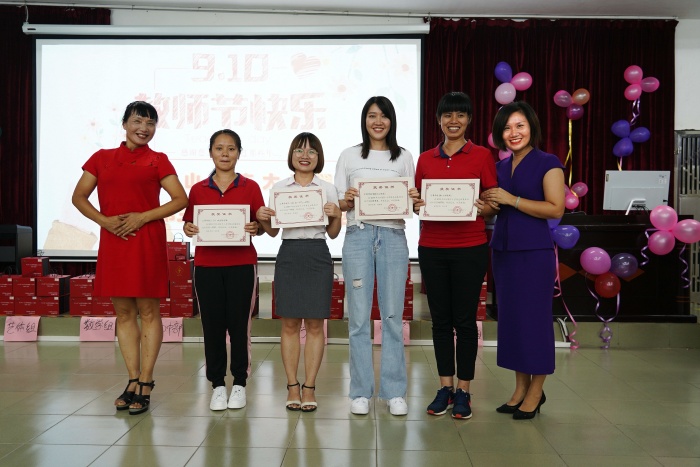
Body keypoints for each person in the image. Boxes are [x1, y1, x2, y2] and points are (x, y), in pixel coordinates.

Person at [72, 101, 188, 415]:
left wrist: (142, 217)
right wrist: (104, 221)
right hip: (114, 240)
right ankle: (132, 379)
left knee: (149, 311)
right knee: (123, 313)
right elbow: (79, 197)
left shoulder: (157, 160)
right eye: (137, 121)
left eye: (150, 123)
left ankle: (146, 382)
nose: (144, 128)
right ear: (124, 124)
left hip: (146, 240)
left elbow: (180, 199)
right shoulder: (101, 158)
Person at [411, 92, 498, 419]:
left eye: (460, 115)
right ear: (438, 120)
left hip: (470, 247)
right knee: (440, 322)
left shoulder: (482, 155)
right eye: (448, 115)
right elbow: (417, 203)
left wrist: (481, 207)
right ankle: (445, 387)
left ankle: (464, 390)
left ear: (469, 120)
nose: (453, 121)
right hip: (432, 247)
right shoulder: (425, 159)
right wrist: (417, 204)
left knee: (465, 321)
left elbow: (493, 203)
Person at [478, 101, 565, 420]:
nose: (513, 133)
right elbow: (493, 209)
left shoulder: (548, 162)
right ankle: (519, 389)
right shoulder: (499, 167)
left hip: (534, 253)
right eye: (506, 128)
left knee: (535, 322)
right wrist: (480, 206)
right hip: (503, 251)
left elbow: (555, 208)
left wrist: (511, 199)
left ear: (531, 128)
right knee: (513, 322)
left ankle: (537, 390)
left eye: (519, 126)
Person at [335, 96, 415, 416]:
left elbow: (411, 200)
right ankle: (360, 392)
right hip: (358, 236)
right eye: (371, 116)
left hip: (393, 237)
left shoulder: (404, 156)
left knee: (393, 316)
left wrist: (413, 198)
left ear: (392, 121)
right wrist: (347, 198)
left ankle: (394, 391)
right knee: (358, 318)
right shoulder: (349, 155)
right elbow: (339, 203)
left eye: (383, 116)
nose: (377, 121)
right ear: (364, 120)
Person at [256, 132, 341, 413]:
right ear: (291, 155)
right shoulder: (279, 188)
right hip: (289, 254)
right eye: (299, 150)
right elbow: (272, 232)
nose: (305, 156)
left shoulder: (327, 189)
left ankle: (310, 387)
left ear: (319, 157)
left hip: (317, 254)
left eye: (311, 151)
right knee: (290, 324)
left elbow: (332, 233)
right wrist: (263, 219)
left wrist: (337, 214)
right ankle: (292, 385)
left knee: (316, 325)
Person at [182, 129, 265, 411]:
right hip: (207, 266)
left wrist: (256, 227)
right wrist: (188, 228)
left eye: (231, 148)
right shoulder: (197, 189)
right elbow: (189, 223)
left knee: (240, 327)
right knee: (212, 326)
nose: (225, 154)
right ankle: (217, 385)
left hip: (242, 265)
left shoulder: (251, 187)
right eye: (219, 148)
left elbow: (261, 225)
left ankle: (239, 382)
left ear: (239, 153)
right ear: (210, 153)